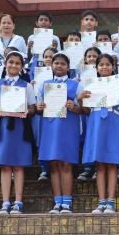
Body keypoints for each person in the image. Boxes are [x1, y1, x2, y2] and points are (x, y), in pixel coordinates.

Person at [0, 51, 37, 215]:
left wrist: (26, 111)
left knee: (19, 165)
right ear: (5, 64)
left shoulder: (27, 86)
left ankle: (18, 202)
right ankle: (5, 202)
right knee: (5, 165)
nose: (14, 65)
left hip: (21, 128)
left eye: (17, 63)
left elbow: (33, 108)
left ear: (22, 67)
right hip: (2, 128)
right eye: (11, 62)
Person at [79, 54, 119, 214]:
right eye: (101, 65)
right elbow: (86, 111)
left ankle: (110, 202)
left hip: (113, 122)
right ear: (96, 68)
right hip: (96, 123)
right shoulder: (91, 85)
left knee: (112, 163)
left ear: (113, 67)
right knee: (100, 164)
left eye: (108, 64)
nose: (104, 67)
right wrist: (81, 99)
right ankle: (101, 201)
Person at [36, 52, 81, 214]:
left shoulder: (76, 85)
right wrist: (39, 108)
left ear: (68, 67)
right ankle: (57, 202)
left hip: (68, 127)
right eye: (56, 63)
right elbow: (38, 109)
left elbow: (84, 110)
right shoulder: (44, 85)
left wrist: (73, 107)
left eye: (62, 64)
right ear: (51, 66)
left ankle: (67, 203)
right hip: (50, 127)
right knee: (53, 165)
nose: (59, 66)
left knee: (66, 164)